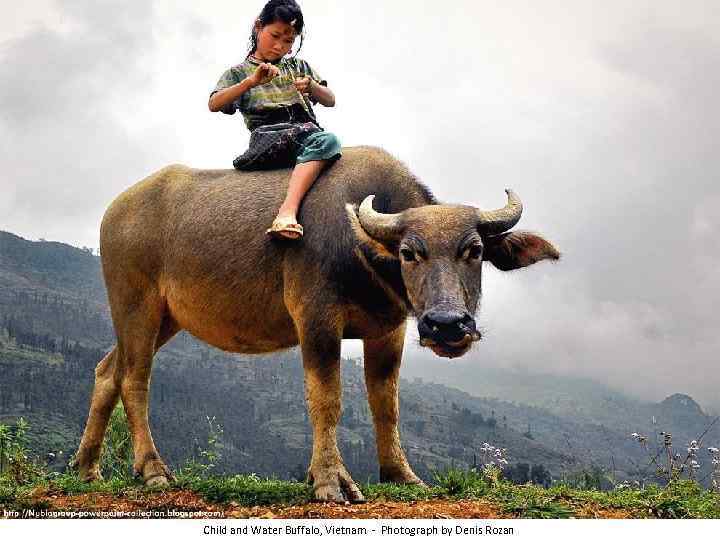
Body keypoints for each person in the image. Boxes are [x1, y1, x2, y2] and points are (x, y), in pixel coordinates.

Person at [208, 0, 340, 240]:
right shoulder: (238, 72)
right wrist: (250, 83)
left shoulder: (299, 66)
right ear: (259, 27)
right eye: (275, 35)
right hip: (269, 135)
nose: (280, 46)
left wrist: (311, 86)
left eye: (289, 41)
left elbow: (330, 99)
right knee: (327, 141)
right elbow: (214, 104)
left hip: (306, 132)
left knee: (326, 145)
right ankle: (287, 212)